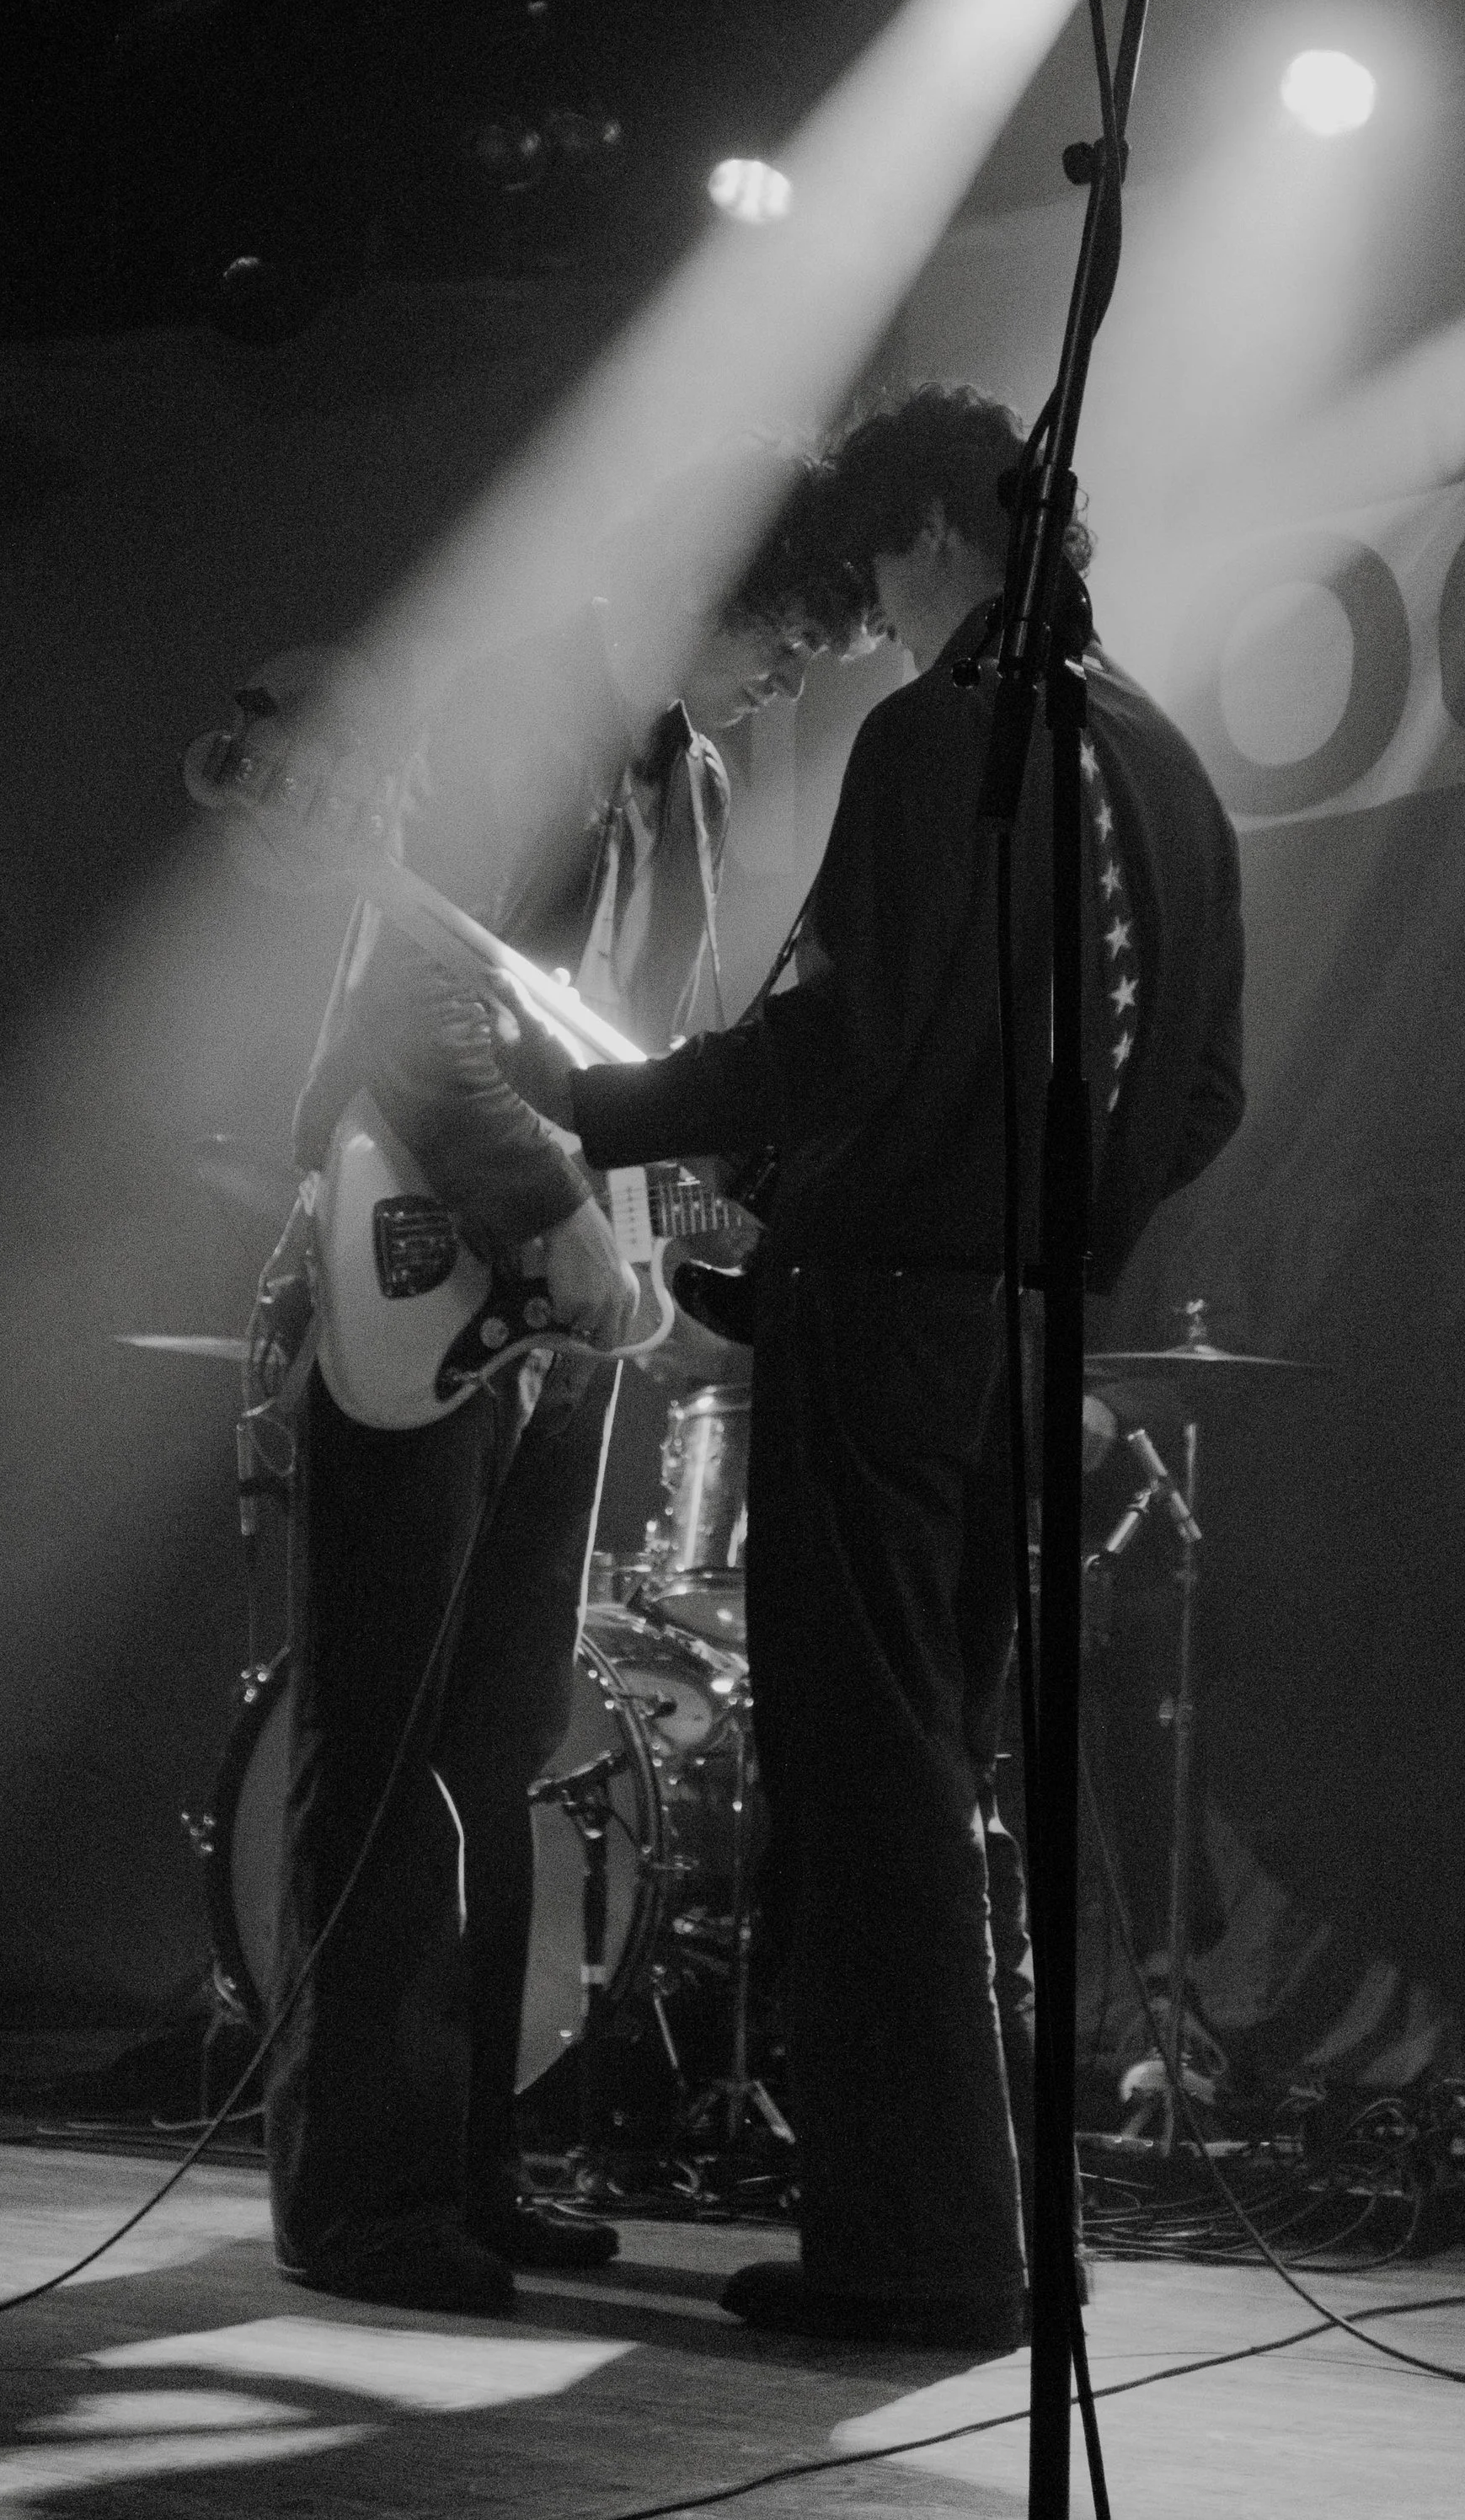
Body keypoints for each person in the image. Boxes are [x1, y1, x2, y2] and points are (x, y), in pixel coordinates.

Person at [494, 383, 1246, 2347]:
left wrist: (606, 1109)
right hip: (1014, 1332)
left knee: (871, 1787)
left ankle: (908, 2254)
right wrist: (1051, 1231)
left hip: (895, 1327)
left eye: (876, 569)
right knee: (940, 1775)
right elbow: (1208, 1092)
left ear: (930, 530)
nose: (866, 622)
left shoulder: (944, 734)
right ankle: (965, 2228)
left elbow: (845, 1037)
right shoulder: (1163, 763)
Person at [264, 444, 868, 2316]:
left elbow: (617, 1044)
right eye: (788, 629)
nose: (793, 676)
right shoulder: (512, 706)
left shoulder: (677, 772)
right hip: (436, 1252)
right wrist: (549, 1221)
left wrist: (704, 1190)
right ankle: (355, 2204)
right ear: (702, 581)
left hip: (546, 1297)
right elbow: (413, 1000)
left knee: (499, 1743)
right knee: (383, 1736)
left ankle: (465, 2166)